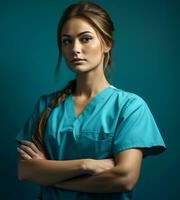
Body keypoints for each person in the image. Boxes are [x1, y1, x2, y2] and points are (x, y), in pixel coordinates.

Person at [15, 1, 167, 199]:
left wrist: (52, 177)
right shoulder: (46, 106)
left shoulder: (129, 107)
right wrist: (87, 164)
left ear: (107, 43)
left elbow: (125, 178)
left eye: (85, 39)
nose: (75, 49)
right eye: (67, 41)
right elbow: (26, 171)